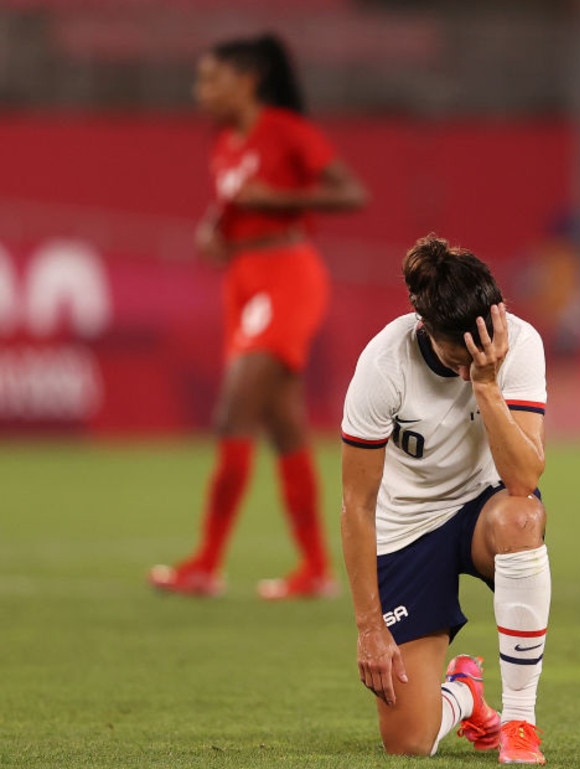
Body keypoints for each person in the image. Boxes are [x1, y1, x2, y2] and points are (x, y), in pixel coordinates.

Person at [149, 33, 369, 599]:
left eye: (210, 79)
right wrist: (211, 228)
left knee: (233, 411)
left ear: (246, 80)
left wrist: (278, 200)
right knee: (284, 424)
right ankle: (317, 569)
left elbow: (351, 193)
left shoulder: (287, 132)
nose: (201, 91)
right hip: (243, 281)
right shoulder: (224, 142)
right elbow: (231, 205)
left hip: (287, 271)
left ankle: (206, 564)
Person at [340, 235, 550, 763]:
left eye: (475, 356)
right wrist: (369, 628)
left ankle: (520, 722)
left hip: (484, 508)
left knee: (522, 518)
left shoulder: (520, 344)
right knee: (408, 743)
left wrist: (486, 385)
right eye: (457, 360)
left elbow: (523, 479)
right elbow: (357, 505)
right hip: (406, 528)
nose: (466, 369)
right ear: (425, 330)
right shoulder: (382, 366)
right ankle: (465, 695)